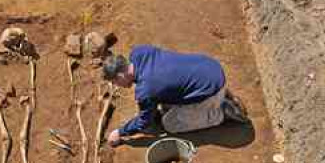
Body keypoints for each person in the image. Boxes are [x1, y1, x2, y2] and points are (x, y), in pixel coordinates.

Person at [101, 45, 247, 145]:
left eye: (115, 82)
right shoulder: (139, 52)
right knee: (165, 104)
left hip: (211, 89)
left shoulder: (146, 90)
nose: (116, 86)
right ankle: (217, 96)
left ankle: (222, 111)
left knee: (170, 124)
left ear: (120, 75)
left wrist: (120, 132)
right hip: (209, 67)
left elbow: (144, 121)